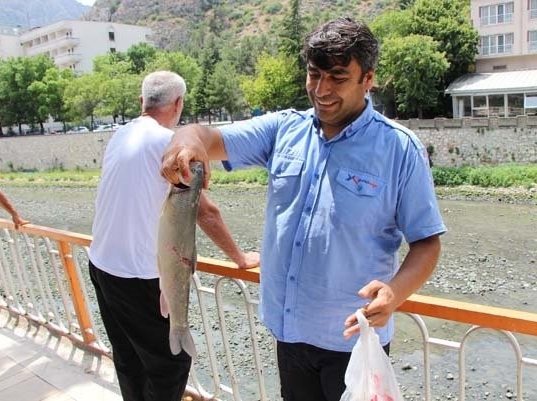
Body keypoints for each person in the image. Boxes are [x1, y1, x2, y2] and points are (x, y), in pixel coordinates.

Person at [161, 17, 447, 401]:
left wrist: (394, 293)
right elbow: (204, 136)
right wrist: (183, 142)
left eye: (338, 77)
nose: (322, 89)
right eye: (314, 75)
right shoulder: (283, 130)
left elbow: (427, 243)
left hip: (355, 340)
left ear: (368, 79)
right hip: (290, 333)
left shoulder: (399, 149)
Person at [88, 71, 259, 401]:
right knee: (171, 365)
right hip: (137, 276)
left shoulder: (121, 134)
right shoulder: (168, 145)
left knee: (128, 359)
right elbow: (204, 210)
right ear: (179, 104)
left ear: (142, 102)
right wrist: (240, 258)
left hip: (102, 265)